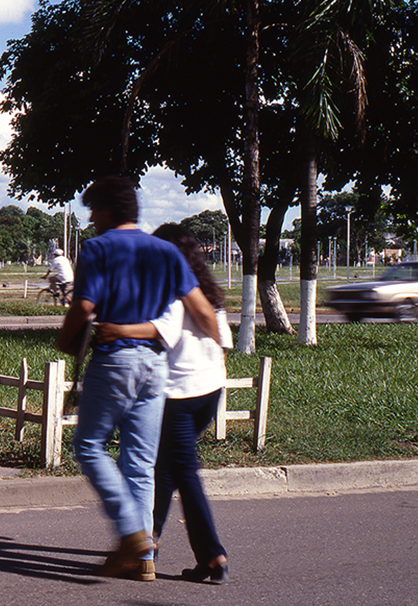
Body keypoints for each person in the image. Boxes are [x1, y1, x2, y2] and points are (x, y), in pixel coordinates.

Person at [56, 176, 222, 582]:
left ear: (110, 210)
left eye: (94, 209)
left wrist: (64, 339)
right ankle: (143, 561)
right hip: (156, 366)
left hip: (115, 361)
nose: (91, 217)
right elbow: (198, 304)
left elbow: (86, 305)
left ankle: (133, 533)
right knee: (141, 462)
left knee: (89, 446)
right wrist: (218, 346)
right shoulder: (166, 251)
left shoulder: (98, 247)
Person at [95, 222, 232, 584]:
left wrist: (115, 330)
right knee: (165, 470)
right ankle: (146, 543)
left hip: (178, 396)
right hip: (210, 391)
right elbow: (224, 342)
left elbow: (161, 330)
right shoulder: (208, 294)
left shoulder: (172, 291)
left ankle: (213, 555)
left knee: (183, 473)